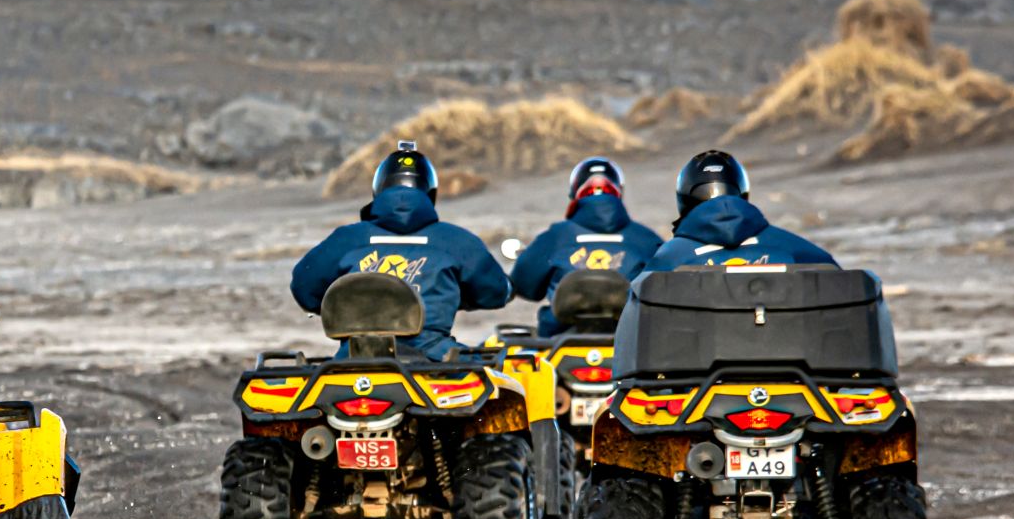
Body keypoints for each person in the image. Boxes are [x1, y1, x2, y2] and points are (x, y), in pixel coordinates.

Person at [290, 141, 512, 359]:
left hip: (353, 360)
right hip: (433, 357)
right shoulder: (457, 241)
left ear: (379, 189)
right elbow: (496, 292)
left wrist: (348, 304)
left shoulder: (347, 239)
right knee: (501, 376)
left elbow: (303, 286)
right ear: (430, 191)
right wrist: (451, 295)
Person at [507, 156, 664, 334]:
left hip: (560, 338)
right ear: (619, 191)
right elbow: (665, 293)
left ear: (575, 192)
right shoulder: (647, 239)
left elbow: (524, 285)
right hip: (629, 341)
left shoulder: (555, 236)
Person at [646, 149, 837, 271]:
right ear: (742, 192)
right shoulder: (795, 248)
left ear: (684, 198)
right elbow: (841, 281)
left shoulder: (668, 258)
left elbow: (633, 322)